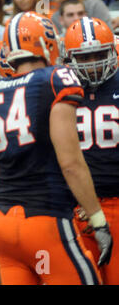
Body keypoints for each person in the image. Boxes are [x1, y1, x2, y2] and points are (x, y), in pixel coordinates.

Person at [0, 11, 112, 284]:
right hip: (45, 219)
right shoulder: (56, 79)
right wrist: (98, 219)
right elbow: (71, 163)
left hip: (4, 223)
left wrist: (2, 209)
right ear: (47, 44)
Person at [64, 16, 119, 285]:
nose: (93, 63)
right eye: (84, 57)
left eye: (98, 54)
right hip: (75, 206)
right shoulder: (58, 89)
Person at [48, 0, 112, 34]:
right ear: (61, 19)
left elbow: (109, 36)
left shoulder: (95, 6)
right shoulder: (55, 17)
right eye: (70, 15)